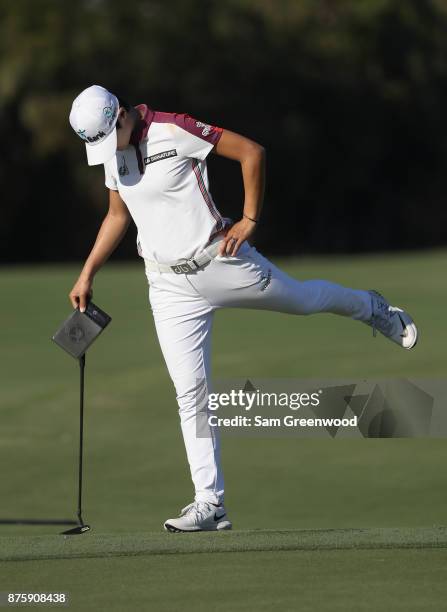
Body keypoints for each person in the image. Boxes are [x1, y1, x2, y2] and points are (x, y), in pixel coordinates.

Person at [68, 84, 418, 533]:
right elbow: (118, 215)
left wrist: (250, 219)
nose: (104, 151)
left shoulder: (174, 130)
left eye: (105, 139)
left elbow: (251, 152)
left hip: (222, 262)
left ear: (120, 116)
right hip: (166, 286)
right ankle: (209, 503)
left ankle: (374, 309)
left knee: (305, 300)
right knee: (190, 392)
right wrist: (87, 273)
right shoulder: (112, 155)